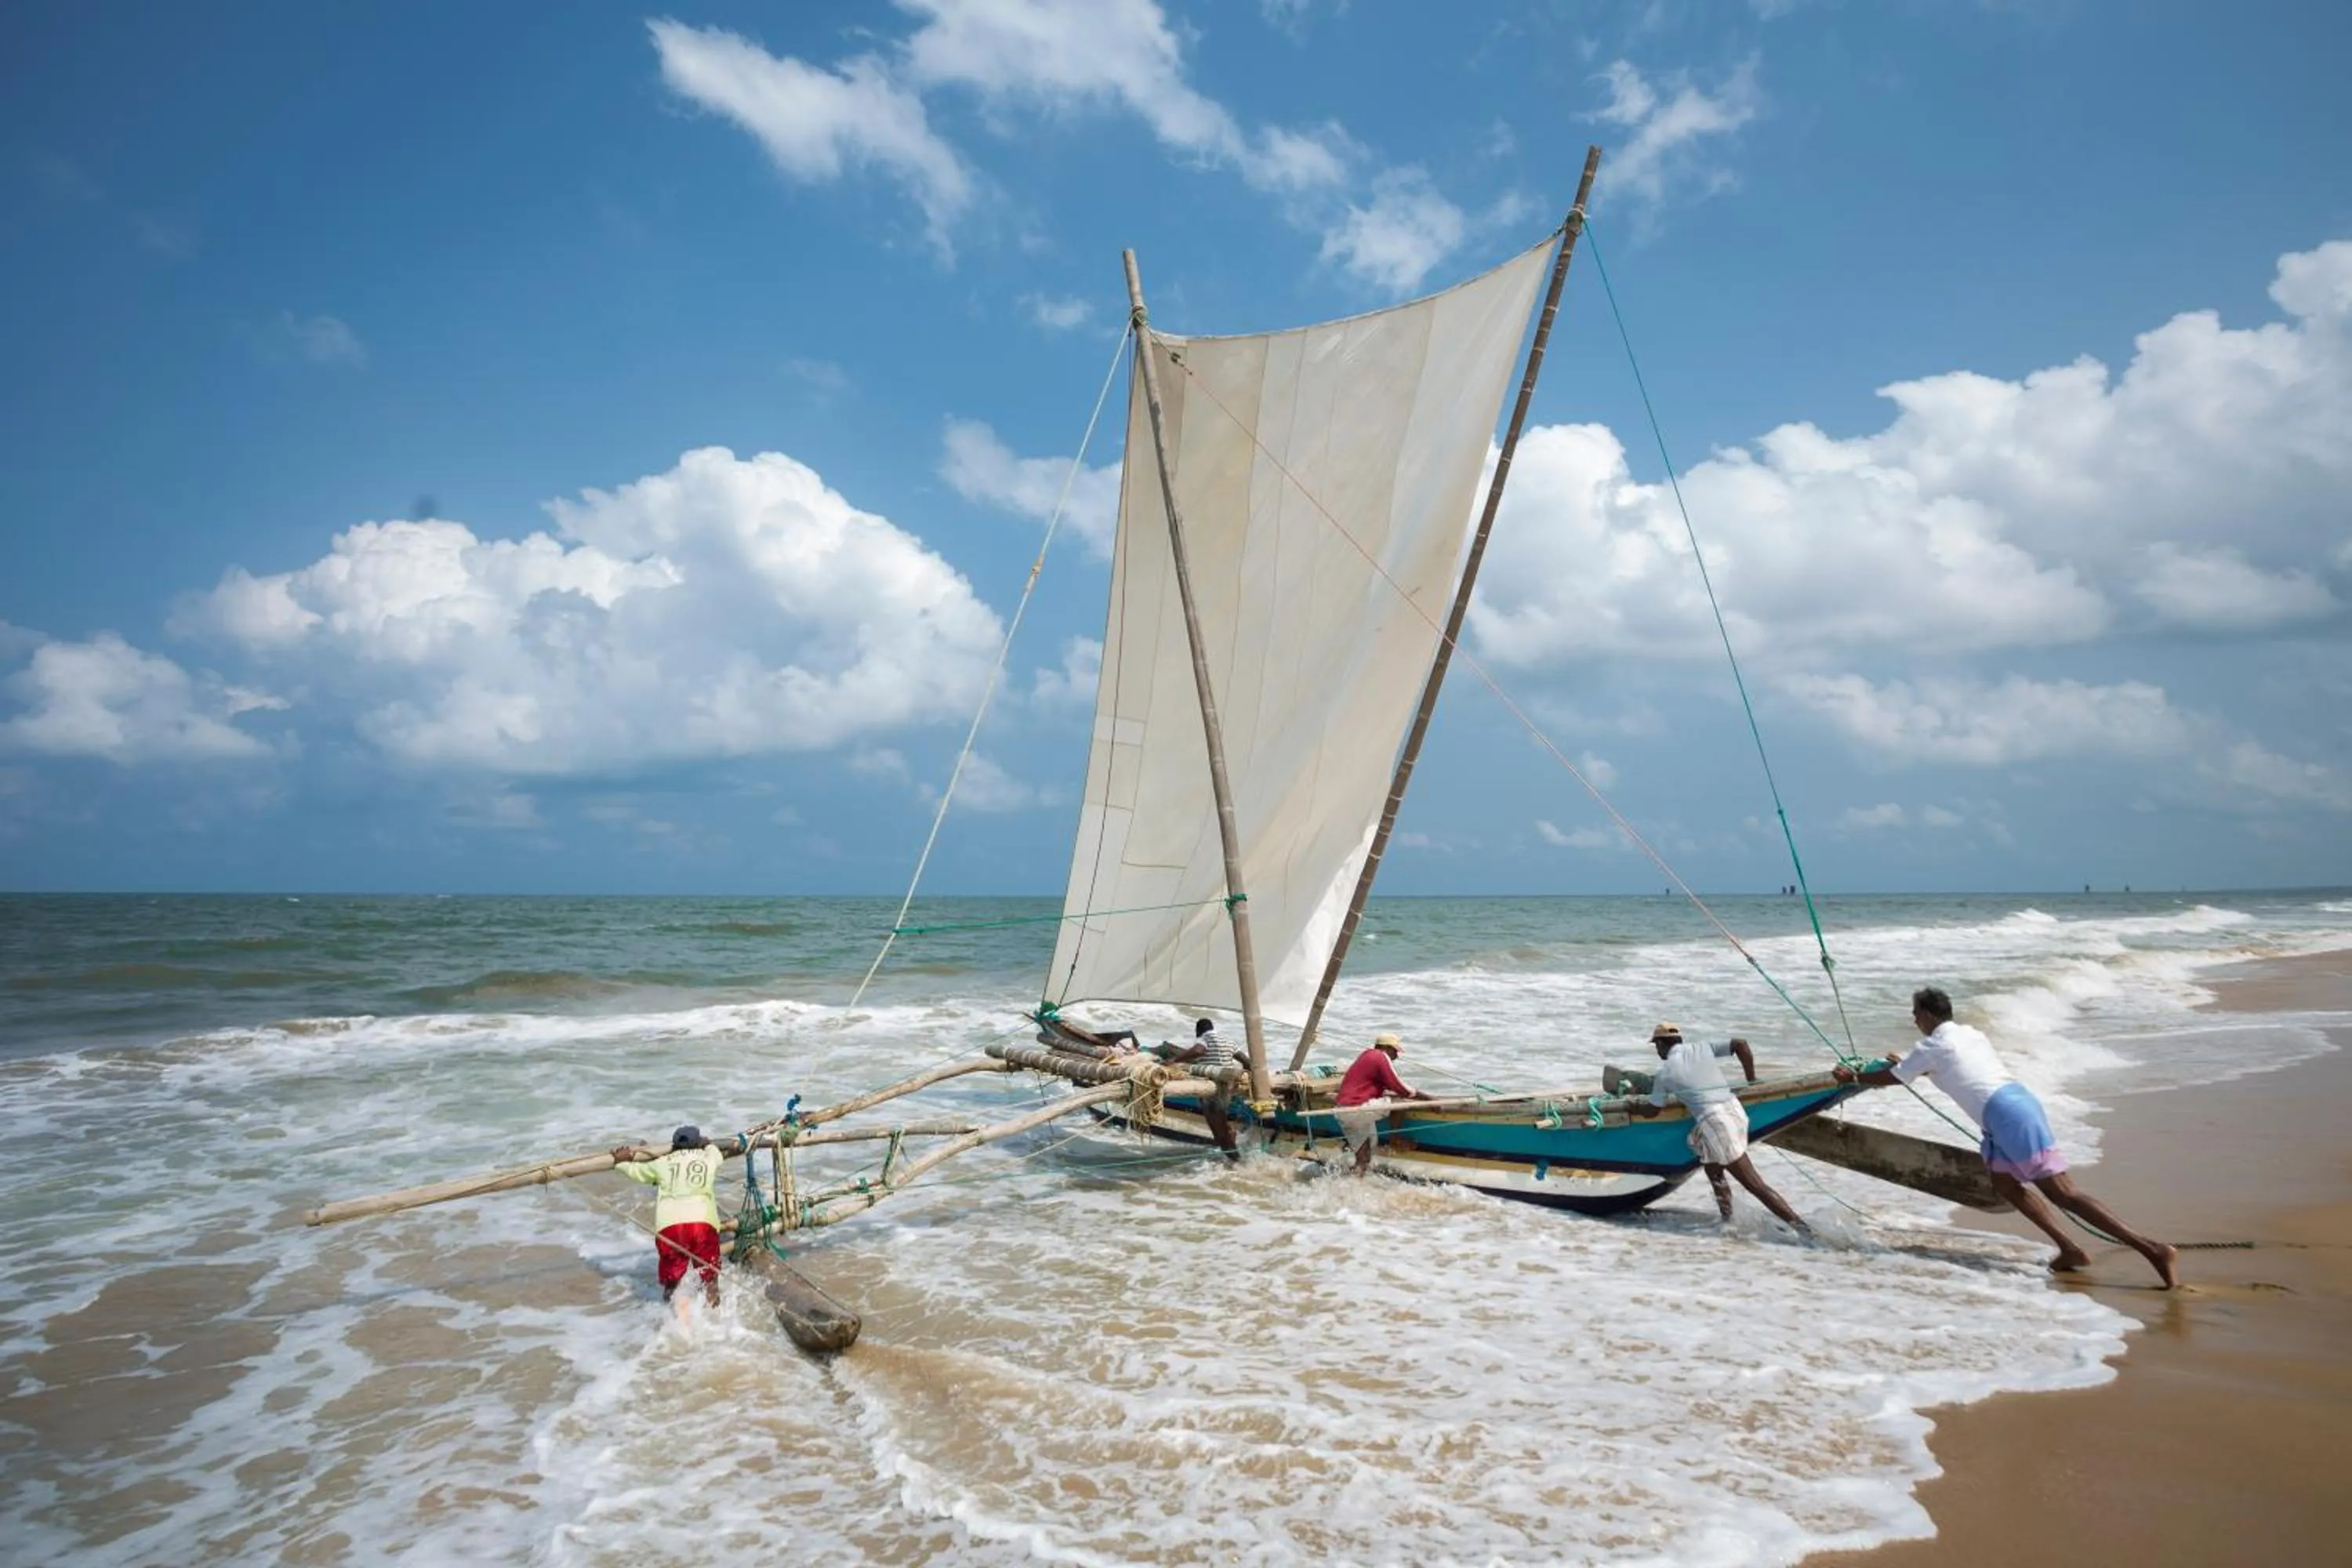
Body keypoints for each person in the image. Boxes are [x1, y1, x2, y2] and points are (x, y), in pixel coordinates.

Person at [1835, 987, 2179, 1287]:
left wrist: (1852, 1077)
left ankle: (2152, 1249)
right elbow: (1939, 1068)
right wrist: (1905, 1065)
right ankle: (2069, 1248)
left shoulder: (1932, 1046)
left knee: (2064, 1193)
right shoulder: (1969, 1034)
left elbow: (1897, 1077)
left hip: (2008, 1115)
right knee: (2005, 1183)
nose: (1914, 1021)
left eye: (1915, 1014)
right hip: (2012, 1106)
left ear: (1925, 1014)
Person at [1627, 1022, 1809, 1234]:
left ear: (1660, 1044)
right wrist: (1751, 1080)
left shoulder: (1665, 1073)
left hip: (1717, 1123)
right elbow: (1741, 1044)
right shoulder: (1702, 1048)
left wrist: (1634, 1107)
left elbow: (1652, 1111)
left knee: (1755, 1185)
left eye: (1656, 1046)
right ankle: (1728, 1222)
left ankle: (1804, 1230)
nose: (1657, 1051)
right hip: (1735, 1112)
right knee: (1713, 1169)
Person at [609, 1125, 730, 1307]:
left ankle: (671, 1315)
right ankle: (714, 1313)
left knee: (671, 1280)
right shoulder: (708, 1158)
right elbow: (715, 1153)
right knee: (710, 1278)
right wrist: (707, 1144)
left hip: (670, 1228)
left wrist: (621, 1162)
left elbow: (637, 1172)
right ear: (698, 1143)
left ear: (674, 1146)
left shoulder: (662, 1163)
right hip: (702, 1223)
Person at [1332, 1032, 1436, 1177]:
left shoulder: (1366, 1056)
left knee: (1363, 1160)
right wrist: (1430, 1099)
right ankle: (1395, 1140)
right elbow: (1400, 1088)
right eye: (1395, 1051)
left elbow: (1382, 1086)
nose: (1396, 1056)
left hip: (1342, 1111)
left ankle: (1352, 1182)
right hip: (1357, 1108)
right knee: (1399, 1104)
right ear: (1386, 1048)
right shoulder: (1380, 1056)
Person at [1156, 1017, 1243, 1160]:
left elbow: (1198, 1050)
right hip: (1226, 1087)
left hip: (1212, 1089)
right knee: (1221, 1122)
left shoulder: (1205, 1038)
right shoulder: (1228, 1041)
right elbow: (1246, 1061)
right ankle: (1232, 1153)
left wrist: (1174, 1060)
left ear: (1198, 1031)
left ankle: (1238, 1163)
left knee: (1219, 1133)